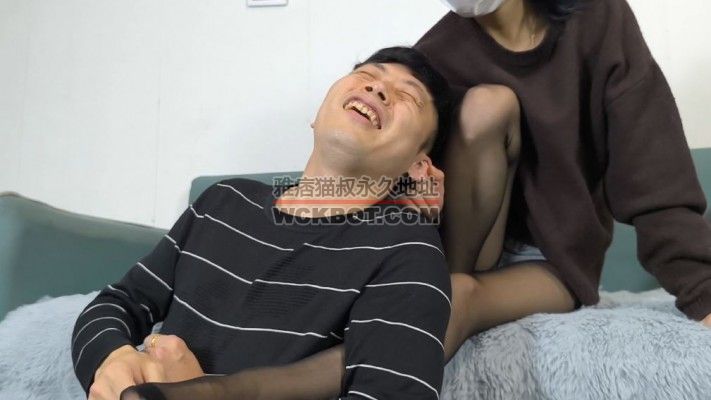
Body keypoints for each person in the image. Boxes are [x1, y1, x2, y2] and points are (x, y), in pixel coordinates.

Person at [116, 0, 711, 399]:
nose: (382, 89)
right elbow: (382, 166)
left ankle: (223, 392)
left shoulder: (597, 17)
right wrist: (412, 198)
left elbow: (651, 164)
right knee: (482, 113)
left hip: (552, 260)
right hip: (461, 240)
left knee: (458, 291)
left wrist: (702, 290)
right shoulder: (439, 52)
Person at [71, 46, 455, 400]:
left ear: (417, 166)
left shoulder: (407, 250)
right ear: (317, 115)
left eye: (407, 96)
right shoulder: (223, 202)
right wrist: (114, 360)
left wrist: (197, 392)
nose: (378, 88)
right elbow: (117, 303)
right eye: (368, 74)